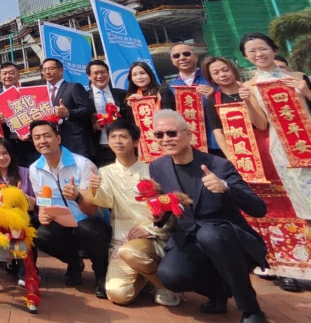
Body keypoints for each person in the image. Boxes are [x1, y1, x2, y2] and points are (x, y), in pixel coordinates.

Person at [150, 110, 268, 323]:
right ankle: (217, 292)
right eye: (159, 135)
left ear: (189, 134)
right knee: (171, 275)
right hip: (188, 238)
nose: (166, 139)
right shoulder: (157, 167)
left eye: (171, 133)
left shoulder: (218, 165)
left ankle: (251, 309)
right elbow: (167, 208)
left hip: (225, 237)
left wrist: (225, 186)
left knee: (209, 235)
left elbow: (258, 208)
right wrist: (158, 214)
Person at [240, 33, 311, 292]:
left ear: (274, 49)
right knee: (303, 208)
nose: (259, 54)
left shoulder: (300, 77)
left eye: (263, 49)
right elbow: (260, 124)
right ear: (246, 57)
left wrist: (306, 92)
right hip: (283, 150)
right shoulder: (251, 85)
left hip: (308, 140)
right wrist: (247, 102)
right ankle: (302, 267)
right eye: (252, 52)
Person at [82, 119, 179, 306]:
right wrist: (93, 189)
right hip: (122, 239)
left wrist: (151, 230)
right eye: (113, 137)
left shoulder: (153, 170)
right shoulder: (105, 172)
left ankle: (164, 286)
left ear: (135, 142)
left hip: (152, 236)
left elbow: (170, 206)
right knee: (118, 294)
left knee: (132, 253)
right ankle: (147, 277)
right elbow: (104, 201)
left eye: (123, 137)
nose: (118, 141)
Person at [27, 119, 110, 298]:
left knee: (87, 230)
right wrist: (43, 215)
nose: (42, 141)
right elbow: (43, 203)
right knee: (42, 235)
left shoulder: (83, 165)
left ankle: (102, 275)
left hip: (90, 222)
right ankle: (74, 262)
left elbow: (93, 211)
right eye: (37, 137)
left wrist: (78, 197)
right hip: (62, 223)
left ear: (58, 138)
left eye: (47, 136)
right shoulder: (35, 169)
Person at [0, 138, 36, 281]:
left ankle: (24, 272)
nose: (1, 158)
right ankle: (0, 262)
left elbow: (36, 203)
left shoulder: (26, 173)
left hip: (24, 220)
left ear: (11, 154)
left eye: (5, 153)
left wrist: (21, 197)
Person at [202, 56, 259, 158]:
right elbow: (218, 133)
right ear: (212, 79)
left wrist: (248, 101)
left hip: (262, 144)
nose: (223, 75)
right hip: (239, 151)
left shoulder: (251, 91)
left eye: (225, 70)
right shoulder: (213, 102)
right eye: (216, 73)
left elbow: (263, 125)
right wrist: (231, 158)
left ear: (233, 70)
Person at [40, 58, 96, 159]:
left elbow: (87, 110)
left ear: (61, 70)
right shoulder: (43, 93)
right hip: (54, 145)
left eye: (51, 68)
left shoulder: (74, 87)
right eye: (44, 70)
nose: (47, 72)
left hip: (76, 144)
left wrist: (68, 113)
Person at [87, 60, 130, 166]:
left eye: (103, 72)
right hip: (99, 149)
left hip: (123, 147)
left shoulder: (123, 94)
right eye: (96, 73)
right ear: (89, 76)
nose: (100, 76)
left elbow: (130, 119)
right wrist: (92, 126)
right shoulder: (84, 97)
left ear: (108, 73)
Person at [0, 62, 35, 167]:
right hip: (6, 145)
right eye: (4, 73)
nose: (8, 76)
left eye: (11, 73)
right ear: (0, 76)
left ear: (18, 76)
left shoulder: (29, 93)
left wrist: (29, 134)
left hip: (30, 144)